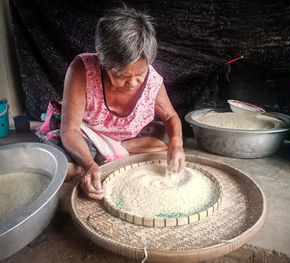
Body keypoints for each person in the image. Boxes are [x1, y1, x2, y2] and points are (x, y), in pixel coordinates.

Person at [40, 7, 185, 201]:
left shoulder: (152, 82)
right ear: (103, 62)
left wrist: (177, 143)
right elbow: (70, 131)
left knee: (164, 149)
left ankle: (111, 152)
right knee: (58, 169)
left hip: (119, 139)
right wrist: (89, 166)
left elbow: (170, 116)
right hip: (85, 134)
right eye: (122, 76)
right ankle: (100, 158)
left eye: (139, 75)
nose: (132, 83)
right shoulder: (82, 69)